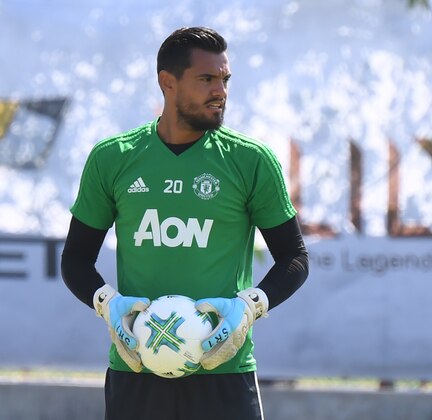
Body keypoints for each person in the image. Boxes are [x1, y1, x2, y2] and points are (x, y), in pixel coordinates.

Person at [61, 26, 309, 420]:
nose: (221, 91)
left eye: (225, 79)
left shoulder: (251, 160)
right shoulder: (113, 158)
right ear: (167, 82)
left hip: (223, 371)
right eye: (207, 79)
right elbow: (75, 259)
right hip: (136, 369)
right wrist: (108, 306)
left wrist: (249, 307)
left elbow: (295, 257)